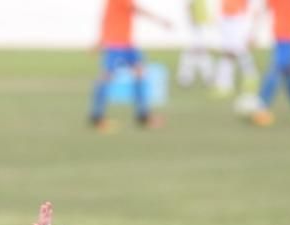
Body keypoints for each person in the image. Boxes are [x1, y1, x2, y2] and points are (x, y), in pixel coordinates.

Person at [89, 0, 173, 132]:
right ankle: (96, 116)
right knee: (106, 76)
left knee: (139, 71)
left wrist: (100, 39)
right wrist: (161, 20)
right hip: (116, 43)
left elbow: (108, 17)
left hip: (127, 43)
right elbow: (135, 9)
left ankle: (142, 115)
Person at [213, 0, 260, 103]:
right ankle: (225, 85)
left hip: (239, 18)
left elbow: (255, 5)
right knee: (228, 52)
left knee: (239, 50)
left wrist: (253, 30)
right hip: (226, 17)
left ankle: (250, 79)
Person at [176, 0, 215, 88]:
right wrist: (192, 18)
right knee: (194, 51)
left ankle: (205, 77)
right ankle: (186, 77)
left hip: (201, 23)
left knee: (200, 51)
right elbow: (188, 5)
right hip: (196, 24)